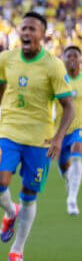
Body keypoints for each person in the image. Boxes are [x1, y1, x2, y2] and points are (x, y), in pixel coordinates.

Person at [0, 12, 75, 261]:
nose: (26, 33)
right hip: (9, 132)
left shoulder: (53, 65)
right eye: (23, 28)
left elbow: (68, 106)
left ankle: (18, 249)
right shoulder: (7, 59)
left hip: (40, 139)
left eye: (32, 29)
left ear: (42, 35)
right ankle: (9, 213)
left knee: (29, 193)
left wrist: (59, 137)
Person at [57, 45, 82, 215]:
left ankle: (72, 200)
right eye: (68, 56)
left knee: (77, 158)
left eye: (75, 55)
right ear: (63, 59)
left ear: (80, 60)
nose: (72, 58)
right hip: (60, 129)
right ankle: (68, 178)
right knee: (63, 164)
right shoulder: (58, 80)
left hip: (79, 128)